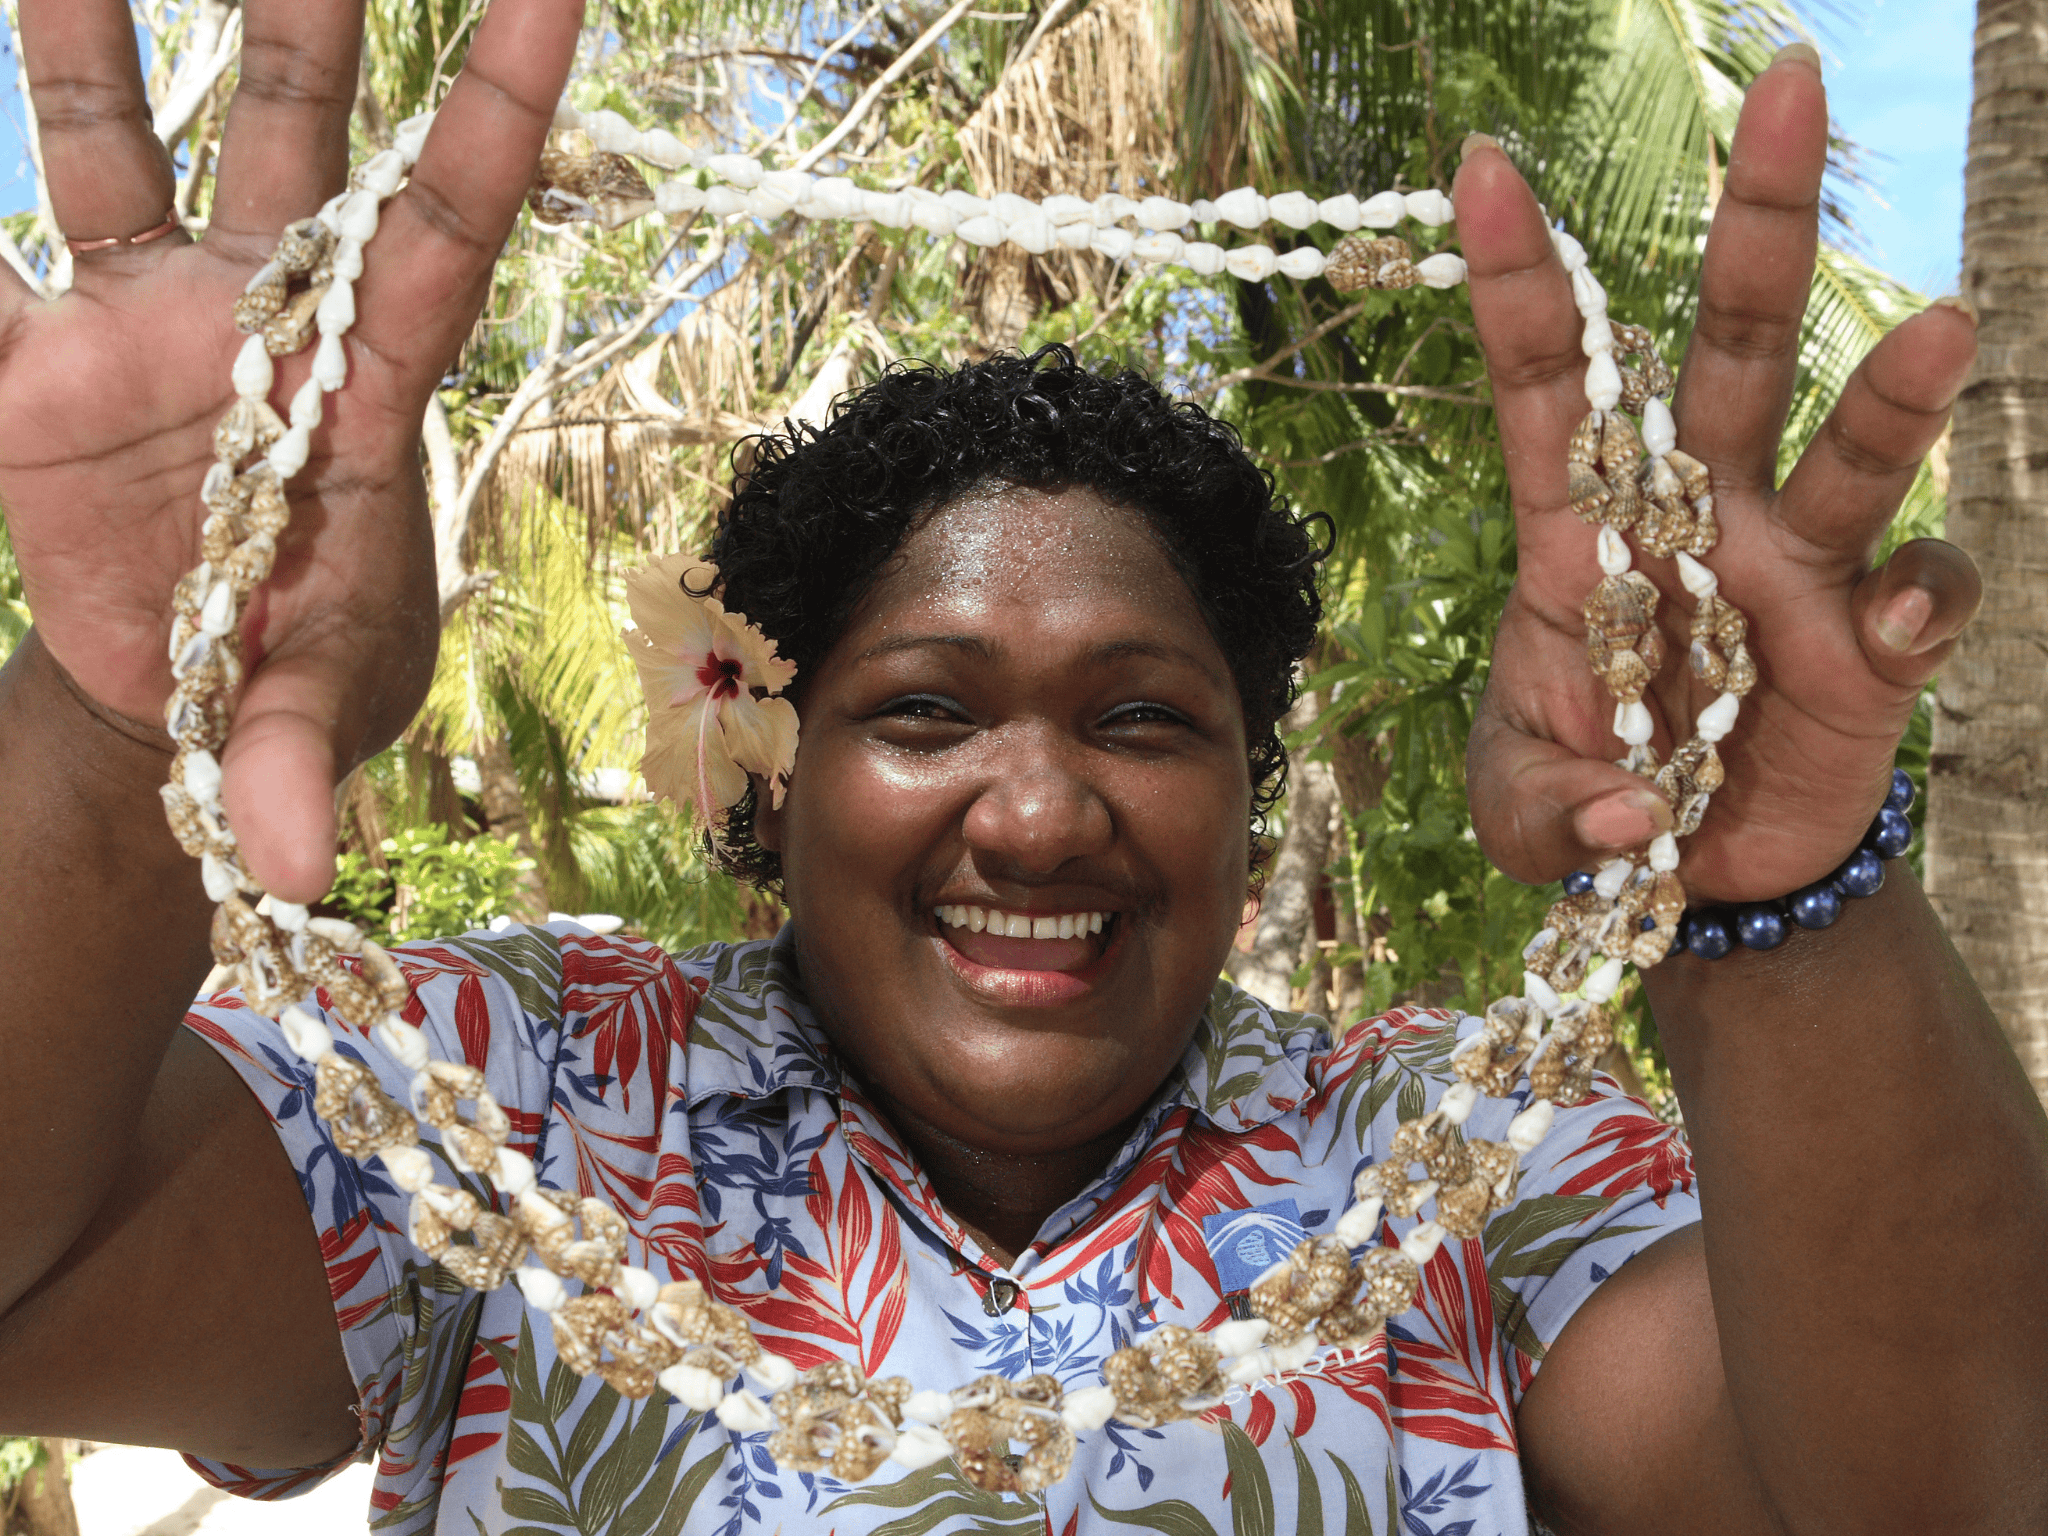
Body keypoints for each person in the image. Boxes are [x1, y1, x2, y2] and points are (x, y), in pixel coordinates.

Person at [0, 1, 2042, 1531]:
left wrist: (1770, 895)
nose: (1043, 808)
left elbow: (1936, 1494)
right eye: (924, 711)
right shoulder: (522, 1092)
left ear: (1254, 806)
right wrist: (110, 715)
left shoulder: (1465, 1165)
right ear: (771, 773)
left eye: (1145, 718)